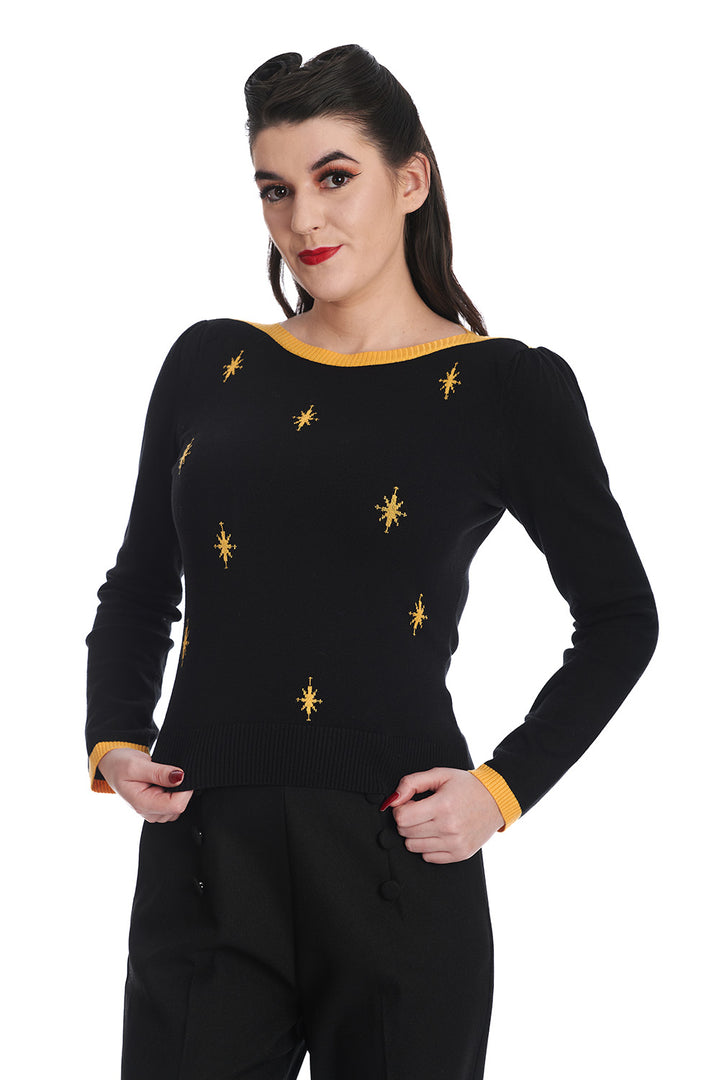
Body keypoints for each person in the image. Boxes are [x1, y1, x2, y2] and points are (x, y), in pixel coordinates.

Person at [85, 44, 659, 1080]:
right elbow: (140, 582)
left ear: (411, 178)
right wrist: (115, 737)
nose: (303, 219)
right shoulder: (212, 362)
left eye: (335, 177)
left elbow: (622, 615)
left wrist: (502, 790)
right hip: (204, 858)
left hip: (399, 861)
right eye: (275, 189)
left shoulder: (507, 389)